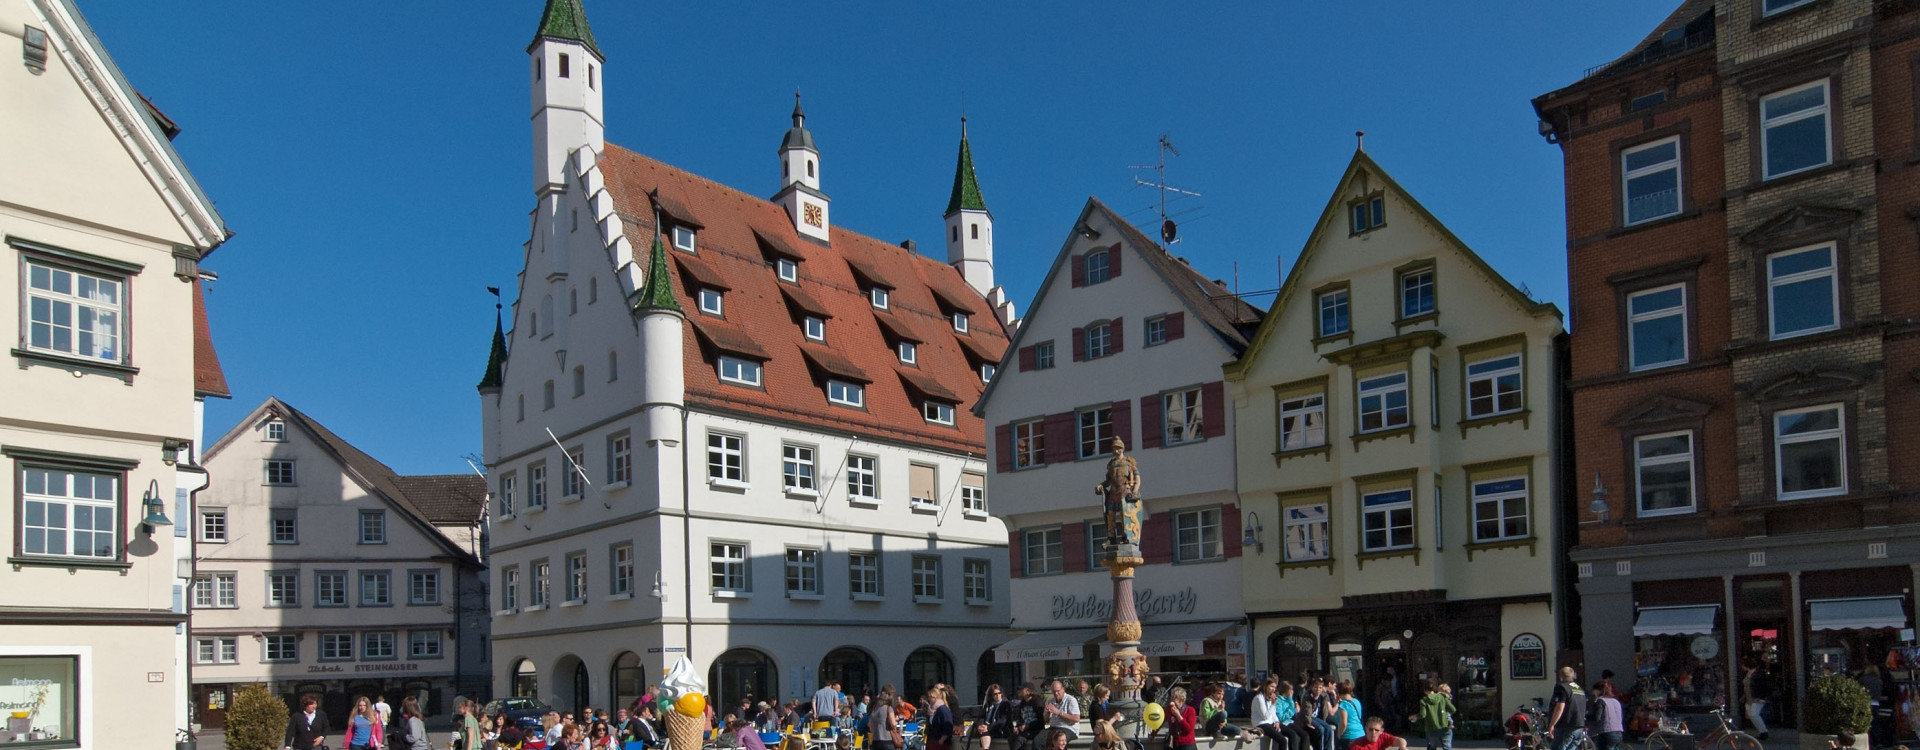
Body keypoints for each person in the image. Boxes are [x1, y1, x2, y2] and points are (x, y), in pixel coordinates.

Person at [1545, 667, 1586, 750]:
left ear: (1560, 676)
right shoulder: (1579, 689)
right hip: (1579, 727)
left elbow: (1559, 707)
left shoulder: (1561, 687)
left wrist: (1552, 725)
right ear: (1573, 676)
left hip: (1565, 726)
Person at [1410, 681, 1455, 750]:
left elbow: (1423, 715)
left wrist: (1415, 716)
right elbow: (1452, 709)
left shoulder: (1424, 700)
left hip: (1431, 727)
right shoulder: (1442, 697)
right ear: (1434, 689)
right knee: (1447, 746)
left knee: (1432, 747)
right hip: (1445, 725)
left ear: (1425, 690)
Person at [1586, 682, 1623, 750]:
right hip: (1619, 733)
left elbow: (1597, 717)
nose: (1593, 692)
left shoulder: (1600, 701)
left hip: (1606, 733)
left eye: (1594, 690)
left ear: (1599, 690)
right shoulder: (1616, 701)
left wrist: (1586, 717)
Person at [1742, 662, 1772, 741]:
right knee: (1751, 714)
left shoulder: (1759, 674)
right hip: (1749, 698)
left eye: (1743, 665)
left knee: (1754, 714)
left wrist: (1762, 697)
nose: (1742, 667)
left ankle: (1764, 732)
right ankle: (1761, 731)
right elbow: (1746, 686)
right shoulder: (1747, 674)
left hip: (1757, 698)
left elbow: (1764, 686)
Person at [1333, 683, 1364, 750]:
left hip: (1348, 736)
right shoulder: (1356, 701)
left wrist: (1339, 735)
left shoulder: (1344, 705)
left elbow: (1344, 723)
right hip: (1360, 733)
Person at [977, 685, 1009, 750]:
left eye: (999, 693)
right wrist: (980, 726)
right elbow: (980, 717)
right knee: (983, 731)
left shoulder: (1005, 704)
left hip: (1000, 729)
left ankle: (985, 748)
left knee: (985, 732)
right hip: (989, 729)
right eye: (995, 694)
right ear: (991, 696)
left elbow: (1002, 721)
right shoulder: (988, 705)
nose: (998, 695)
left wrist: (988, 727)